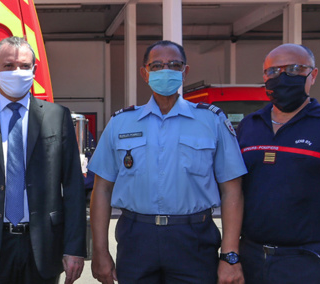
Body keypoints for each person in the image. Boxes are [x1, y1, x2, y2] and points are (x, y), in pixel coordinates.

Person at [88, 40, 247, 284]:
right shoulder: (121, 123)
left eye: (174, 65)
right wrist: (100, 251)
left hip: (194, 239)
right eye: (157, 66)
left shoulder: (211, 121)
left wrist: (230, 255)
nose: (166, 71)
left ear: (185, 71)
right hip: (136, 238)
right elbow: (102, 189)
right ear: (145, 73)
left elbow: (232, 190)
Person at [0, 36, 87, 284]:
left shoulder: (57, 116)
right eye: (9, 66)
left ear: (34, 70)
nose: (17, 72)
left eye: (24, 66)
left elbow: (73, 188)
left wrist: (74, 248)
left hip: (44, 247)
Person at [236, 43, 320, 283]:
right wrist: (231, 257)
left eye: (293, 69)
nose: (282, 77)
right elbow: (234, 193)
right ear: (264, 77)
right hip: (251, 259)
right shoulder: (249, 125)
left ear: (313, 74)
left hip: (309, 261)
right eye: (273, 71)